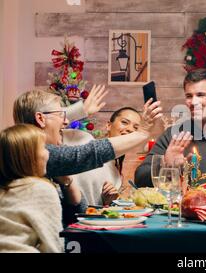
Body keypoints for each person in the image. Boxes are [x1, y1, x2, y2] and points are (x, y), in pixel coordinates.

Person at [13, 86, 162, 224]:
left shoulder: (40, 151)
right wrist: (142, 132)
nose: (66, 121)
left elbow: (77, 213)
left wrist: (68, 182)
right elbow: (89, 153)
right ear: (40, 119)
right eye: (61, 115)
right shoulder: (37, 153)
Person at [0, 124, 63, 253]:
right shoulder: (41, 189)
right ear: (28, 156)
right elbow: (52, 245)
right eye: (43, 148)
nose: (48, 153)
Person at [64, 107, 142, 206]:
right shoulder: (83, 139)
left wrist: (107, 201)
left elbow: (97, 208)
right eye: (125, 122)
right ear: (109, 125)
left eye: (135, 127)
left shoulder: (116, 175)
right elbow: (47, 128)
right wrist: (80, 109)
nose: (130, 129)